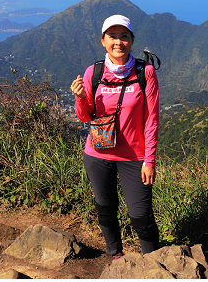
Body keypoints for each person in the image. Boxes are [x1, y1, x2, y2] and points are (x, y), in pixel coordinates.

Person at [70, 14, 160, 261]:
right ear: (102, 40)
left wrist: (149, 160)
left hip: (134, 157)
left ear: (132, 40)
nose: (118, 42)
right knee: (106, 208)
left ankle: (153, 264)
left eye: (124, 36)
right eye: (112, 36)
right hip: (97, 154)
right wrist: (79, 97)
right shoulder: (94, 72)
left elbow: (151, 120)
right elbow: (85, 117)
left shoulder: (145, 72)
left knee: (141, 216)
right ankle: (116, 257)